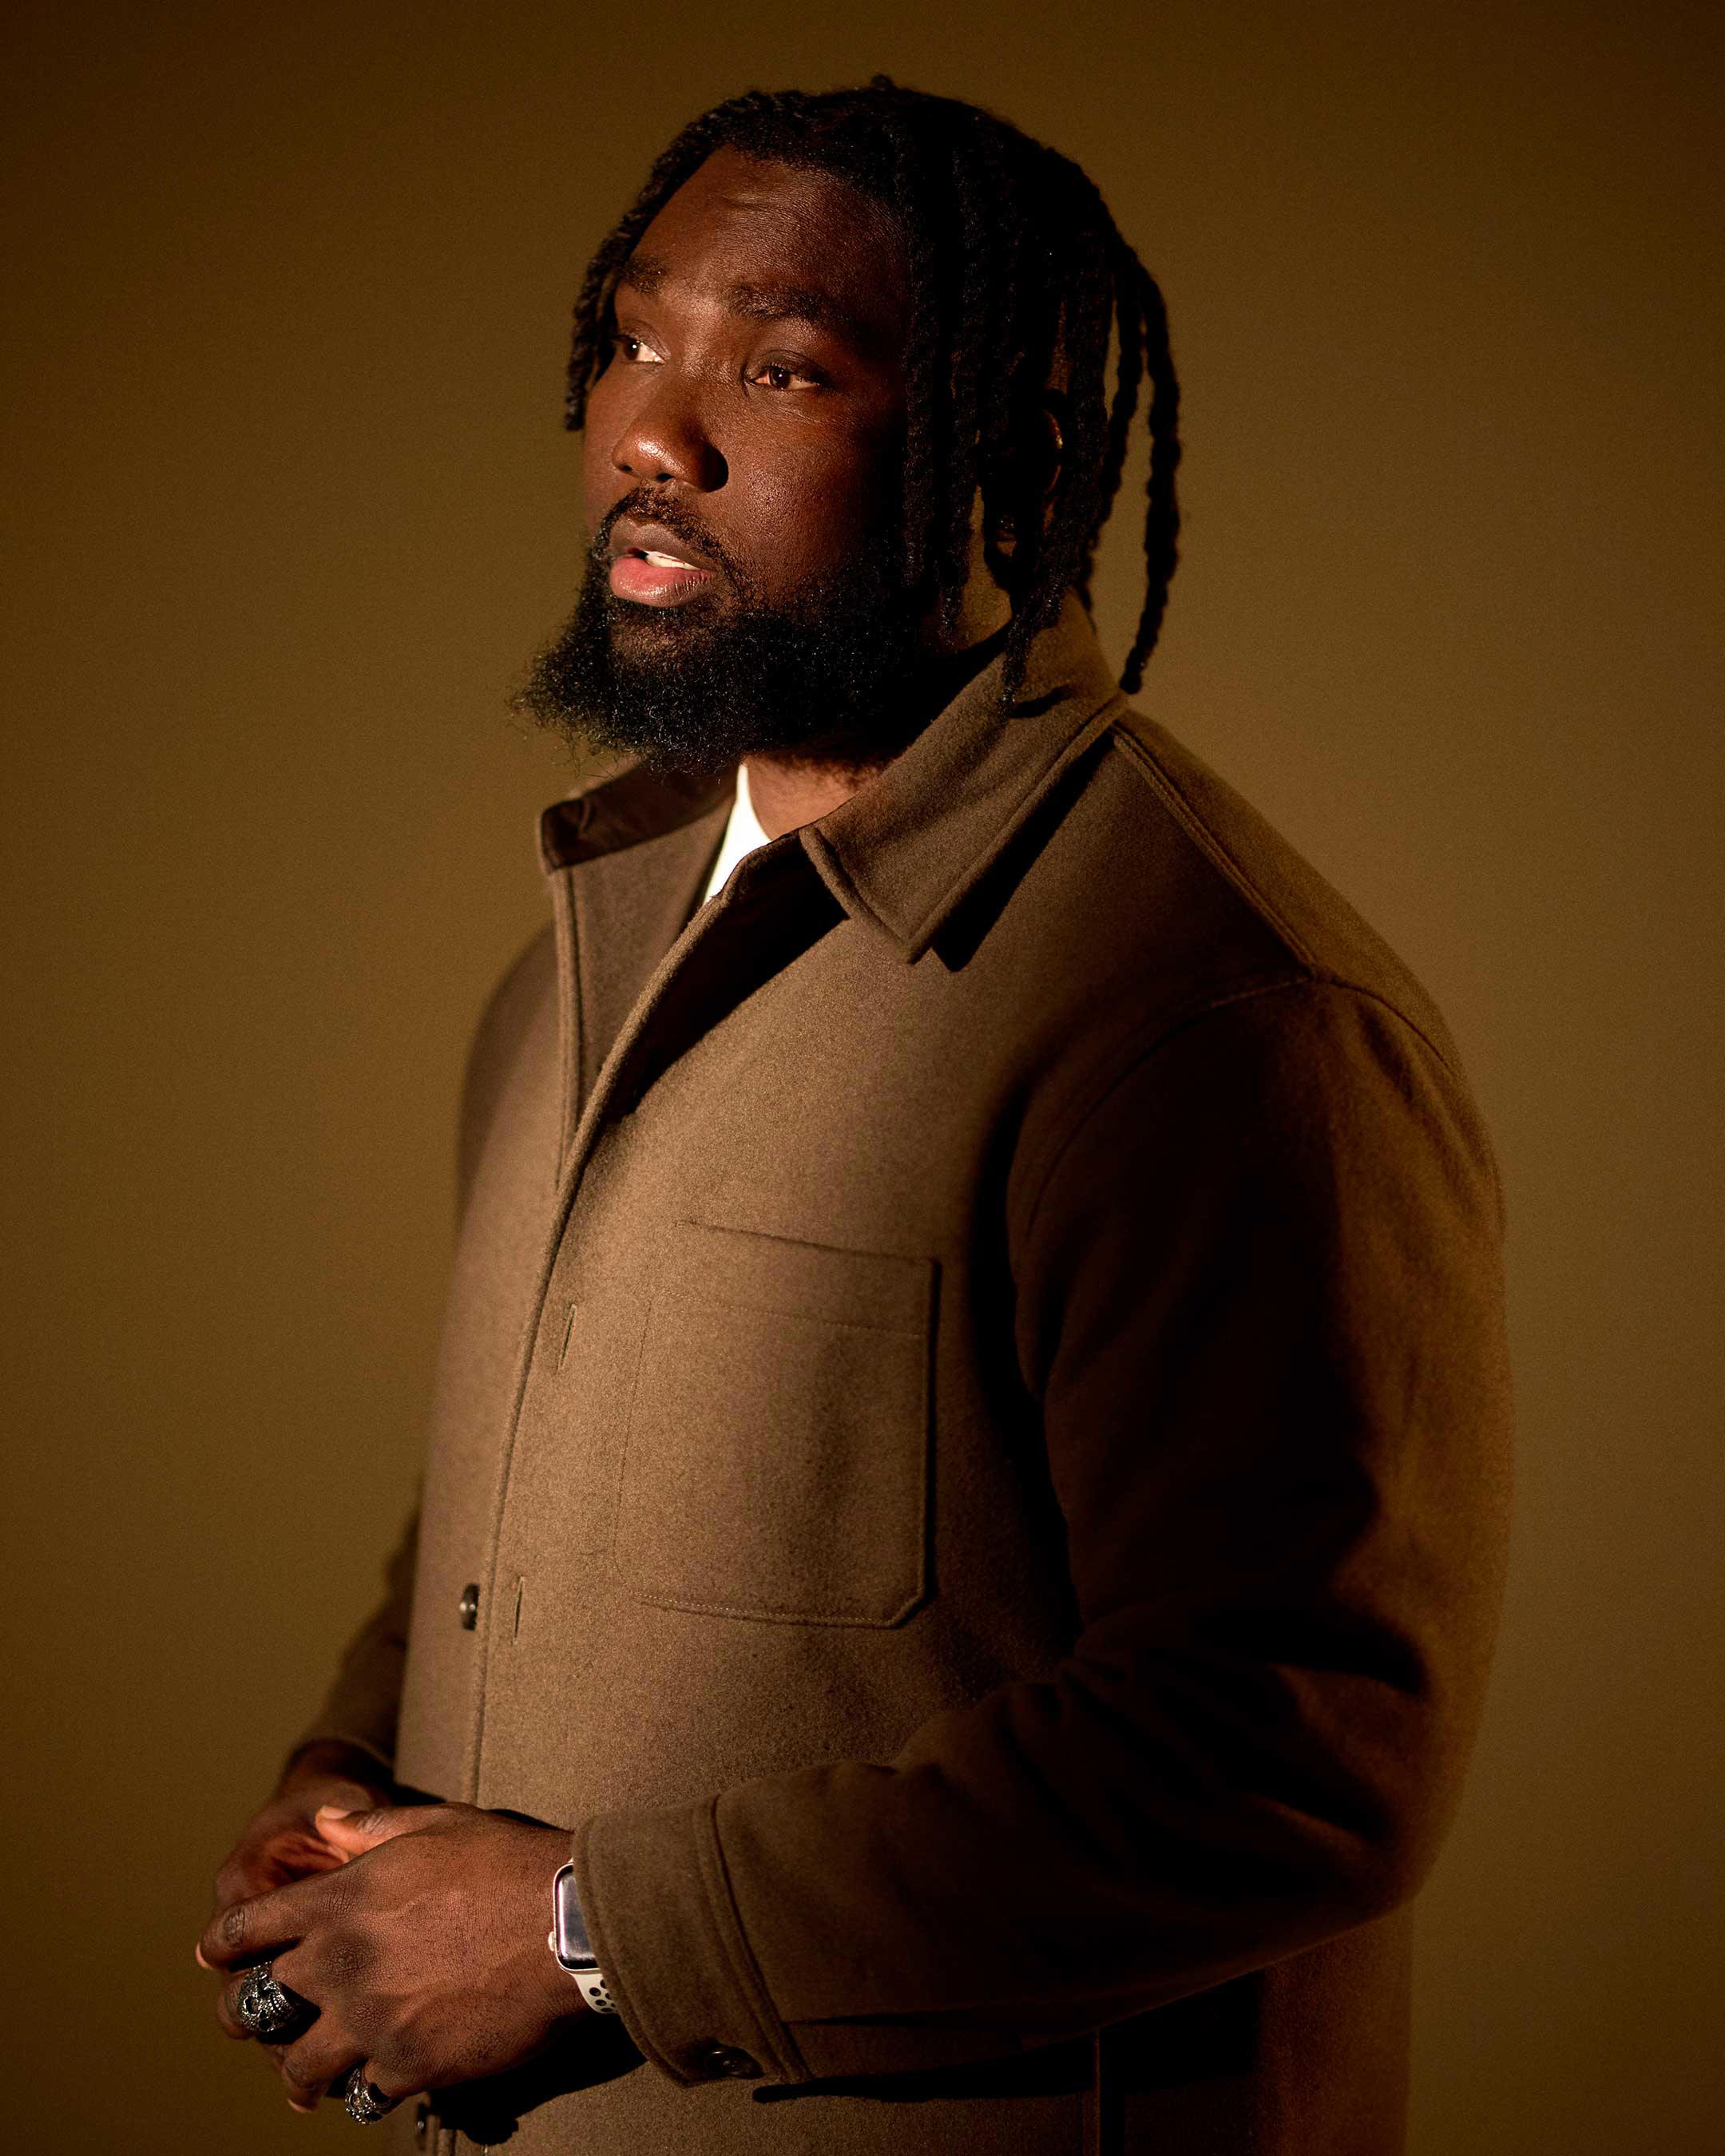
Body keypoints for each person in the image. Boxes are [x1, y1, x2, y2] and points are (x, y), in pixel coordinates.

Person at [196, 78, 1513, 2156]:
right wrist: (346, 1778)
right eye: (634, 336)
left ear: (1016, 451)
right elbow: (501, 1497)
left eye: (784, 368)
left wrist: (575, 1931)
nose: (656, 429)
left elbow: (1293, 1747)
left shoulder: (1211, 1004)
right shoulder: (576, 957)